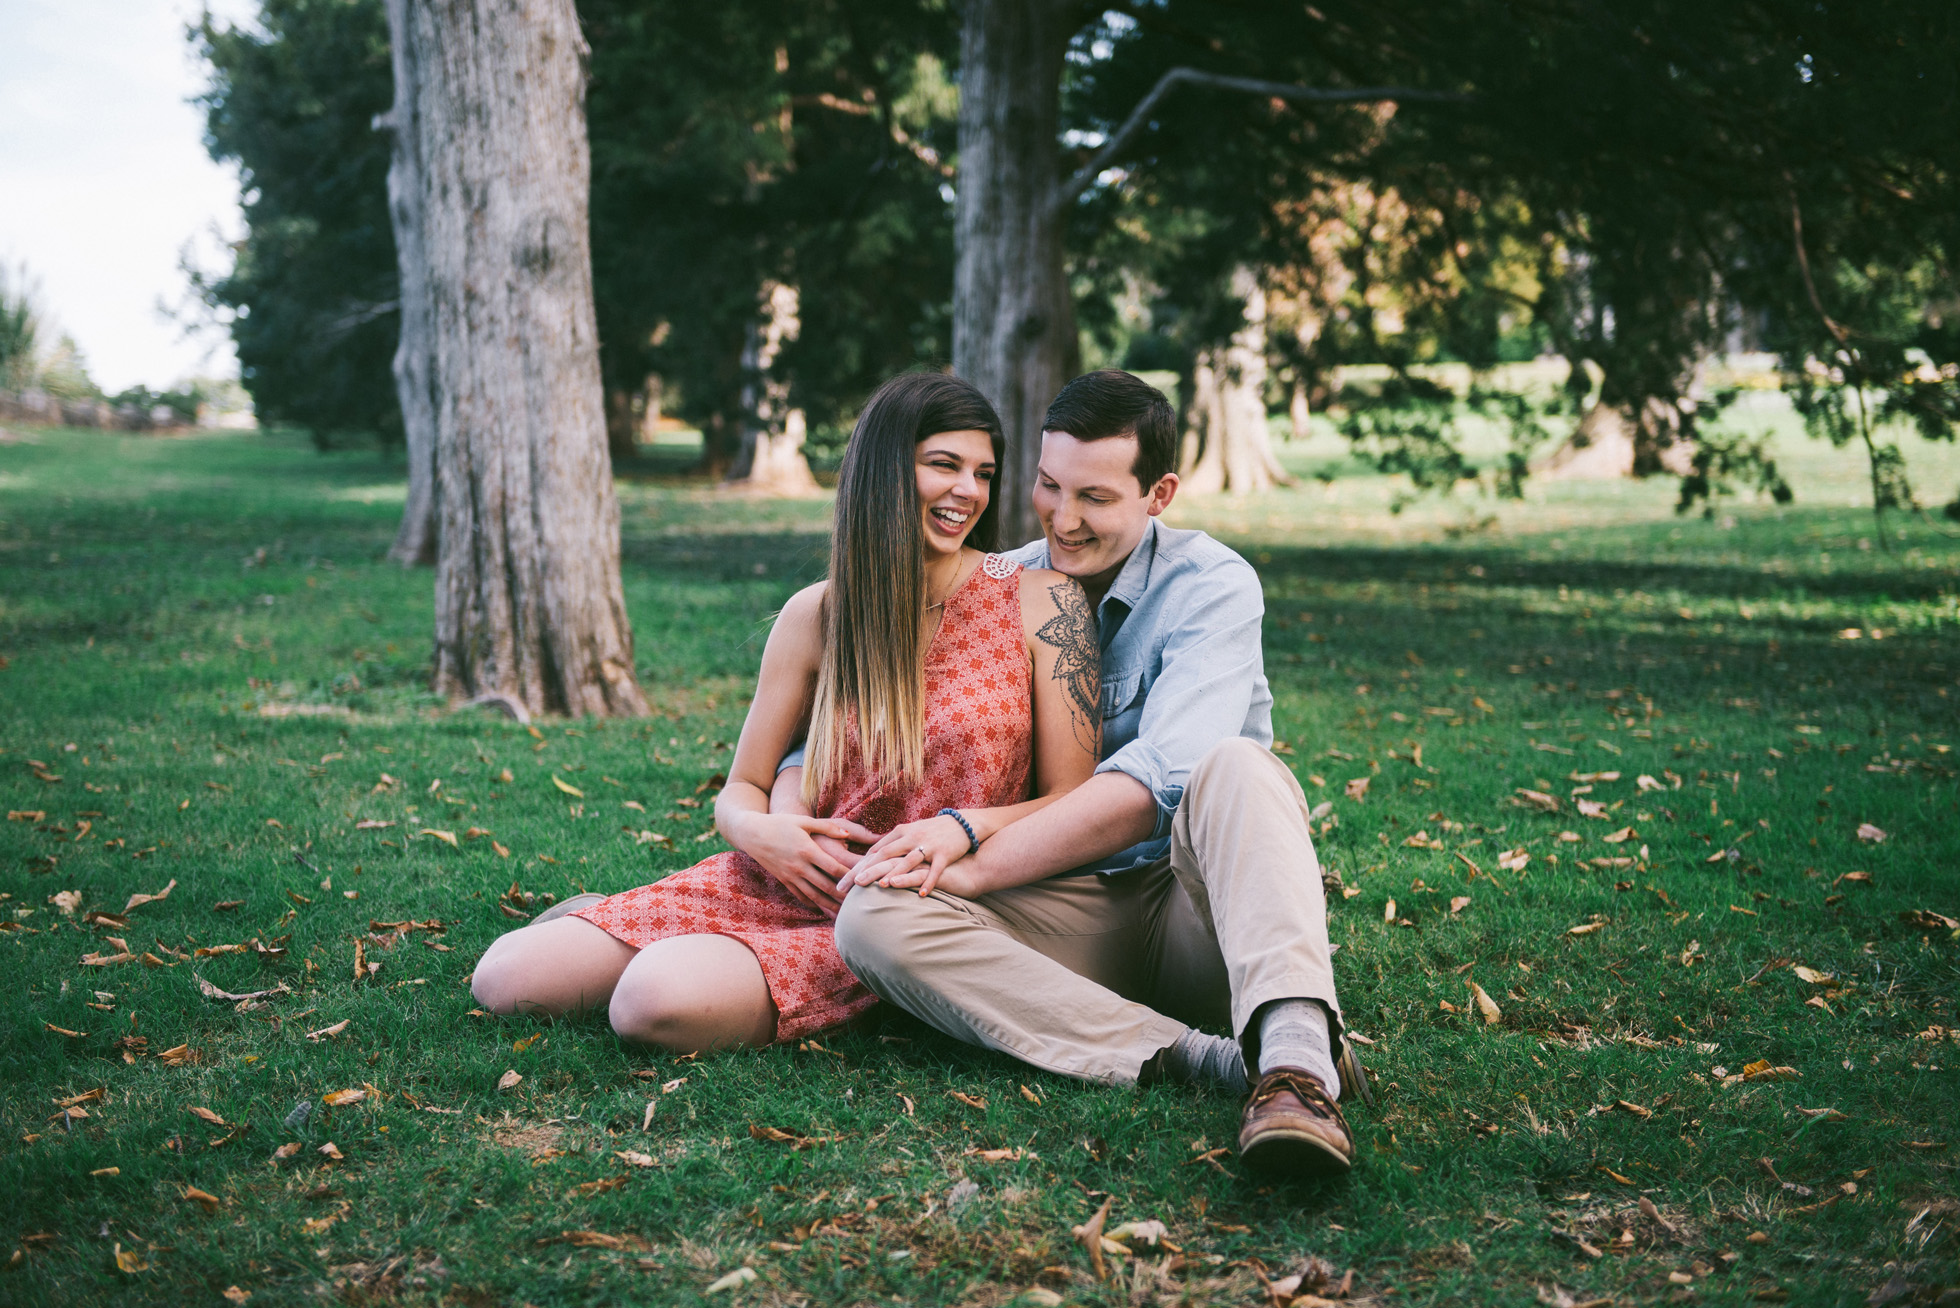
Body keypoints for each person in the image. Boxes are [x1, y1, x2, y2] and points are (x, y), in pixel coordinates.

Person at [818, 369, 1362, 1179]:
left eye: (1096, 499)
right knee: (871, 921)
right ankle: (1207, 1060)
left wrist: (971, 857)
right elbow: (871, 716)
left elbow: (1150, 792)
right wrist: (773, 807)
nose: (1063, 521)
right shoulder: (1004, 585)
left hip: (1193, 910)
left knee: (1236, 766)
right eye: (1046, 485)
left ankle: (1296, 1065)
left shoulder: (1211, 585)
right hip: (1063, 914)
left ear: (1160, 493)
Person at [468, 373, 1103, 1052]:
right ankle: (651, 934)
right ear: (885, 472)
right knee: (506, 978)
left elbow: (1074, 797)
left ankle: (700, 962)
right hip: (783, 875)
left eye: (983, 472)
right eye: (943, 466)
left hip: (902, 913)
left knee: (650, 1003)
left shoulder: (1045, 603)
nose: (968, 492)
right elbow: (741, 786)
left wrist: (963, 828)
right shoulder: (819, 613)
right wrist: (769, 833)